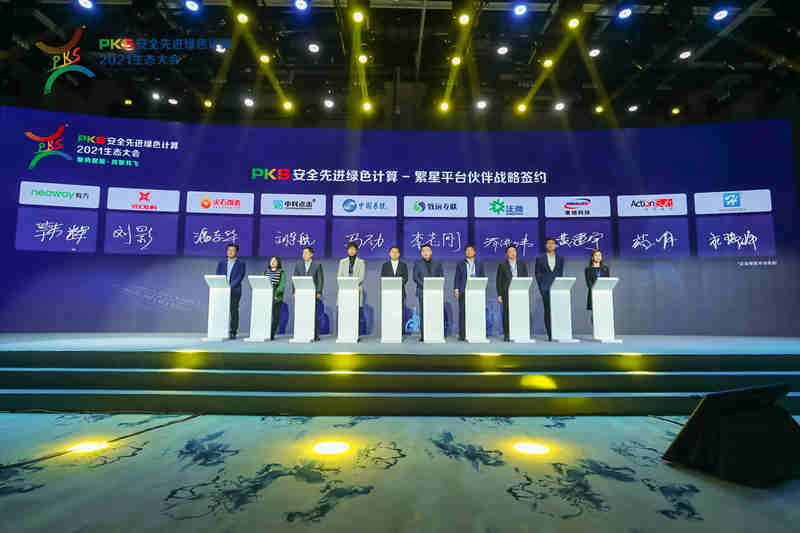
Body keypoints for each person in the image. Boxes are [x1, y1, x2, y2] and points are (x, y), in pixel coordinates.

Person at [495, 245, 529, 342]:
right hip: (507, 293)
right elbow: (499, 281)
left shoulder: (522, 264)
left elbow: (525, 278)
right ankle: (507, 334)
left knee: (520, 313)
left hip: (520, 293)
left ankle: (520, 332)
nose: (512, 253)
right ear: (507, 254)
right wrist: (499, 295)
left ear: (516, 252)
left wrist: (525, 290)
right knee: (507, 313)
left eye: (514, 251)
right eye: (510, 252)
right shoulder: (502, 265)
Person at [454, 244, 486, 341]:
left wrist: (482, 288)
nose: (469, 252)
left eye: (471, 250)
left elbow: (482, 277)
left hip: (476, 292)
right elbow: (457, 278)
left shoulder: (479, 264)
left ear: (474, 252)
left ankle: (476, 332)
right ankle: (462, 335)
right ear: (465, 252)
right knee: (463, 313)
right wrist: (456, 289)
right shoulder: (461, 264)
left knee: (476, 312)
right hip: (464, 291)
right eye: (467, 250)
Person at [535, 237, 565, 341]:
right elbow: (537, 274)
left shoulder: (560, 258)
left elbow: (560, 273)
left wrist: (560, 286)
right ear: (546, 245)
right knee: (548, 311)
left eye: (553, 243)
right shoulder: (540, 258)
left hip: (557, 289)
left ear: (556, 245)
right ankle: (550, 334)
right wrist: (541, 287)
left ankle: (558, 332)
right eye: (548, 243)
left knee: (557, 311)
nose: (550, 245)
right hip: (545, 289)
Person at [412, 244, 444, 342]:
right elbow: (415, 277)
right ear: (421, 253)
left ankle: (435, 334)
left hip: (435, 292)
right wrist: (426, 286)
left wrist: (434, 286)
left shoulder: (437, 263)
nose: (426, 253)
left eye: (427, 250)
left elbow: (441, 276)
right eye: (424, 251)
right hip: (422, 291)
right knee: (424, 313)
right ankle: (424, 335)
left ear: (431, 252)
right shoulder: (417, 263)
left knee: (435, 313)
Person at [293, 246, 324, 341]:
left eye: (306, 253)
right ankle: (301, 333)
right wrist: (294, 291)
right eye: (303, 253)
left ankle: (315, 335)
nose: (304, 255)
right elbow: (295, 278)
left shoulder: (317, 265)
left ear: (311, 254)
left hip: (313, 293)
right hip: (301, 293)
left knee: (313, 315)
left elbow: (320, 279)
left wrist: (319, 291)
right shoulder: (298, 264)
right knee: (302, 314)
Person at [216, 244, 245, 340]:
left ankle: (233, 331)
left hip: (235, 291)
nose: (230, 252)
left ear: (236, 252)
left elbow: (240, 277)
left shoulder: (241, 263)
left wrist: (229, 287)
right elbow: (218, 275)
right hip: (222, 290)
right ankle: (220, 330)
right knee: (221, 310)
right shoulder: (221, 262)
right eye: (229, 250)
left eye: (232, 250)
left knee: (233, 311)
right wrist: (222, 286)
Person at [337, 241, 367, 335]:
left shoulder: (361, 262)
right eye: (350, 249)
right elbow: (339, 276)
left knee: (357, 313)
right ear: (347, 251)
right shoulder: (342, 262)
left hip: (356, 290)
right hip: (345, 290)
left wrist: (352, 284)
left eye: (353, 249)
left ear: (356, 251)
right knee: (345, 313)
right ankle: (344, 331)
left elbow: (361, 277)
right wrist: (346, 284)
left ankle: (357, 332)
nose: (351, 251)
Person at [584, 249, 610, 324]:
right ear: (592, 257)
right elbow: (588, 283)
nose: (598, 257)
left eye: (600, 255)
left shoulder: (605, 269)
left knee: (604, 314)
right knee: (595, 315)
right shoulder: (588, 269)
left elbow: (608, 282)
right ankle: (596, 327)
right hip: (594, 294)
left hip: (604, 294)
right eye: (596, 255)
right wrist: (596, 289)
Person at [265, 256, 285, 340]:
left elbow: (282, 285)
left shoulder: (281, 272)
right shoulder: (266, 271)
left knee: (275, 317)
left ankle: (271, 333)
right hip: (266, 296)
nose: (272, 262)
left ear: (278, 263)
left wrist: (275, 294)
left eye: (274, 261)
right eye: (271, 261)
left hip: (277, 297)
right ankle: (265, 332)